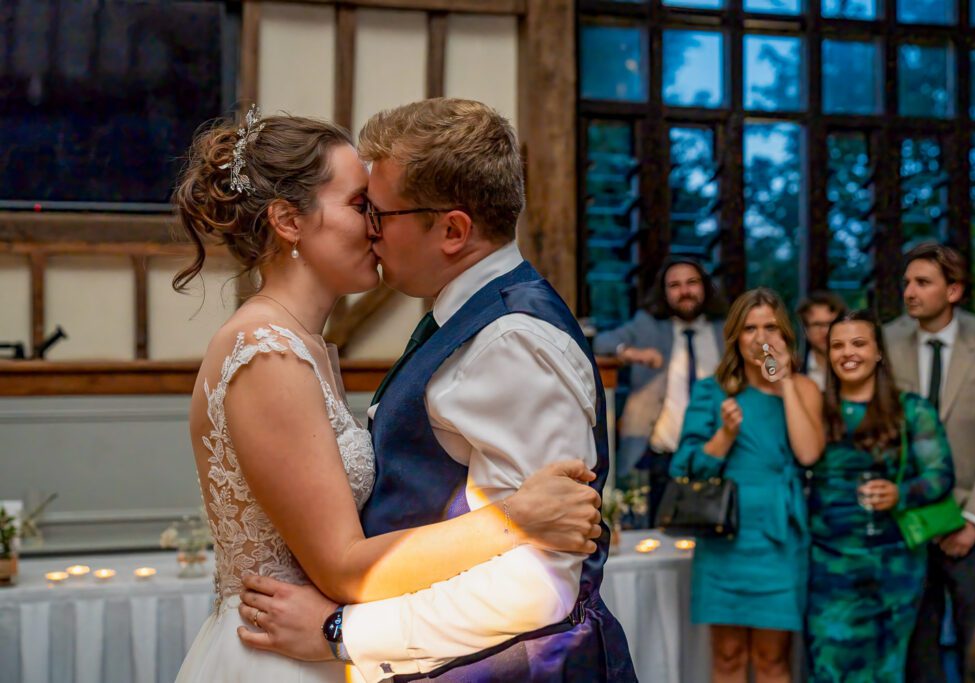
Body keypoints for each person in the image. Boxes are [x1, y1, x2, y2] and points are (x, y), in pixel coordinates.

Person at [171, 108, 610, 682]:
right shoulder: (267, 351)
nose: (374, 226)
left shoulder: (304, 346)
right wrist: (515, 518)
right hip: (281, 653)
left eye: (378, 210)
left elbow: (543, 582)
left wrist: (342, 634)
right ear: (288, 221)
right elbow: (342, 565)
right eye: (360, 206)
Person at [669, 287, 824, 683]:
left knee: (774, 660)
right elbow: (683, 465)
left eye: (771, 327)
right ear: (736, 337)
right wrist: (724, 435)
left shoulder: (805, 389)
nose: (761, 338)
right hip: (726, 538)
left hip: (779, 537)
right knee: (728, 656)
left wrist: (784, 381)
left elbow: (808, 454)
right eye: (750, 328)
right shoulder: (711, 391)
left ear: (786, 335)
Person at [883, 243, 975, 682]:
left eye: (922, 283)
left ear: (954, 290)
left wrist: (974, 520)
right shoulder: (886, 343)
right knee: (917, 651)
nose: (909, 292)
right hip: (907, 522)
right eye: (906, 282)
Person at [806, 310, 955, 682]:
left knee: (886, 668)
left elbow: (941, 475)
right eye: (837, 345)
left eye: (858, 343)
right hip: (827, 565)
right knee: (828, 665)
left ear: (878, 352)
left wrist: (900, 493)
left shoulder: (911, 410)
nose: (847, 353)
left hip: (894, 566)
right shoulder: (815, 410)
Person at [593, 257, 724, 520]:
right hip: (660, 456)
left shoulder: (725, 329)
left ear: (705, 287)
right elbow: (601, 342)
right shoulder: (648, 325)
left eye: (692, 283)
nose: (684, 291)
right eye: (674, 285)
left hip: (716, 455)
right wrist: (630, 353)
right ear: (664, 293)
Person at [796, 291, 846, 391]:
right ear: (805, 330)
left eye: (831, 324)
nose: (826, 331)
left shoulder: (855, 365)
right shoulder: (796, 369)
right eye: (817, 325)